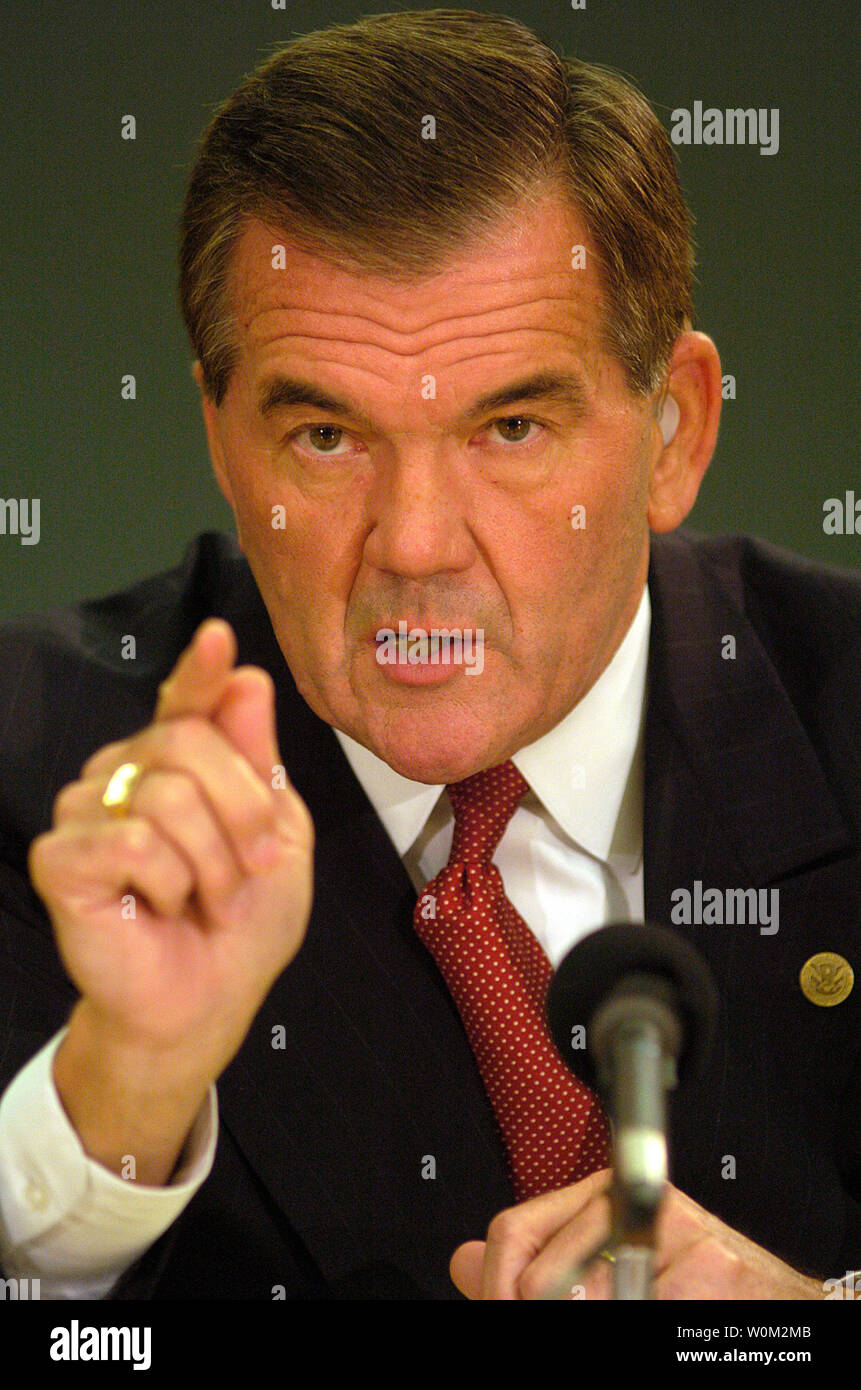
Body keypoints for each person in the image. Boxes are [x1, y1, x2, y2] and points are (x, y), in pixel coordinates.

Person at [0, 11, 859, 1301]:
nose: (413, 545)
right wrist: (125, 1081)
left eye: (511, 426)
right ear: (224, 442)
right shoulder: (35, 765)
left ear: (676, 430)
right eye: (326, 440)